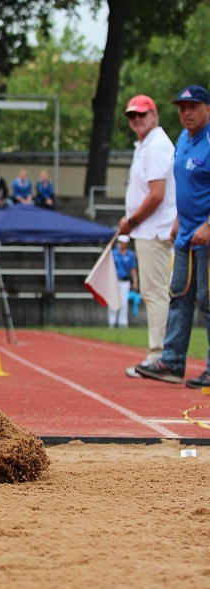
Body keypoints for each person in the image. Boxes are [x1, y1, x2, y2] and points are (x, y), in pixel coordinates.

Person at [136, 85, 210, 387]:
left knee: (208, 301)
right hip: (185, 235)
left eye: (192, 107)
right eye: (181, 107)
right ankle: (173, 361)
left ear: (208, 108)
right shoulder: (183, 138)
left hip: (206, 235)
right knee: (179, 296)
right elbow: (184, 184)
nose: (186, 113)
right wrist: (180, 217)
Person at [117, 94, 176, 378]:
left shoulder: (156, 146)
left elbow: (157, 195)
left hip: (153, 230)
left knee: (155, 294)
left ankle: (160, 356)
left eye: (142, 114)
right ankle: (162, 355)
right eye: (132, 115)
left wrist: (132, 221)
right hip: (149, 229)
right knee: (156, 293)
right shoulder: (147, 145)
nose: (137, 119)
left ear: (154, 115)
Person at [107, 235, 138, 328]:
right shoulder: (114, 253)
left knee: (123, 302)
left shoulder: (130, 254)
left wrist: (135, 281)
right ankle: (112, 322)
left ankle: (123, 322)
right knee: (112, 301)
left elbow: (133, 269)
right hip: (114, 280)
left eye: (122, 242)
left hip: (125, 281)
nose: (121, 244)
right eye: (120, 242)